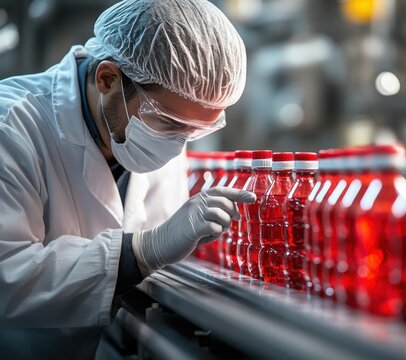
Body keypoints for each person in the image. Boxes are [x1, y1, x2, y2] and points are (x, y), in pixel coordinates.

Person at [0, 0, 254, 358]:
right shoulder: (12, 125)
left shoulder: (156, 122)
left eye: (193, 132)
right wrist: (141, 251)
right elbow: (6, 277)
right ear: (108, 79)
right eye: (168, 124)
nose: (176, 144)